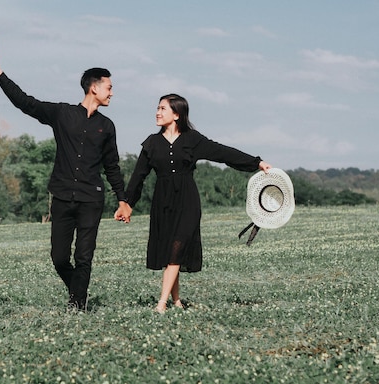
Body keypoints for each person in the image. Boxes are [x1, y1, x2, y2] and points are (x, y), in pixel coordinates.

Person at [0, 52, 132, 311]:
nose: (112, 93)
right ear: (94, 87)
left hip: (91, 199)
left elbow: (112, 167)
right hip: (63, 197)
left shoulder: (107, 126)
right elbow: (25, 103)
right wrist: (0, 75)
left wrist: (122, 200)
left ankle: (77, 304)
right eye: (109, 87)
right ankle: (79, 291)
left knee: (84, 256)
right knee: (59, 258)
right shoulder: (62, 114)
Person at [116, 94, 271, 314]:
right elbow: (138, 176)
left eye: (162, 109)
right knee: (171, 251)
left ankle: (161, 304)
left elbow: (223, 152)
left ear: (176, 114)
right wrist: (127, 203)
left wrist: (256, 162)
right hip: (162, 202)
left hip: (187, 201)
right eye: (157, 108)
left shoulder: (192, 139)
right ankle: (177, 300)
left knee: (176, 249)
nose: (157, 112)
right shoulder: (151, 143)